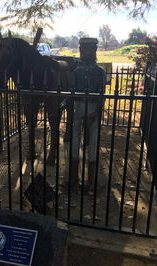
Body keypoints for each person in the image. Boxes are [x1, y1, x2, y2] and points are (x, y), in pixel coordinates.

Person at [71, 37, 105, 192]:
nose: (84, 51)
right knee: (74, 141)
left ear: (95, 50)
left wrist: (96, 111)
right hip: (78, 108)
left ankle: (91, 180)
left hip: (92, 109)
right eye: (82, 48)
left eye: (89, 48)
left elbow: (102, 95)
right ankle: (73, 179)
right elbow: (71, 92)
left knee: (93, 143)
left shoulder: (100, 72)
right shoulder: (76, 71)